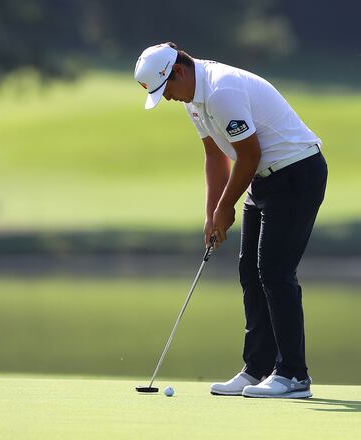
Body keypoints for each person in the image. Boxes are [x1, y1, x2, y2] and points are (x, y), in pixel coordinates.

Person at [134, 43, 327, 399]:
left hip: (297, 173)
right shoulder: (195, 99)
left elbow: (249, 154)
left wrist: (226, 208)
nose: (168, 99)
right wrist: (212, 214)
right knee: (249, 272)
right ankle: (257, 369)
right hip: (263, 179)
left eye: (167, 91)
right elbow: (215, 156)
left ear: (178, 72)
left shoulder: (221, 91)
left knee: (274, 271)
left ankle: (293, 375)